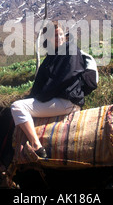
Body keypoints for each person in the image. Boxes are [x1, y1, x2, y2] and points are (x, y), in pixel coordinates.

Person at [11, 21, 87, 158]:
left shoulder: (70, 49)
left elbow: (64, 78)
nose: (60, 38)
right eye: (56, 36)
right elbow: (39, 84)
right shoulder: (51, 57)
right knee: (24, 103)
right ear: (49, 39)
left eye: (62, 34)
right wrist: (32, 98)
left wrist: (41, 97)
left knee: (17, 107)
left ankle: (36, 145)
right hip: (57, 99)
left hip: (67, 100)